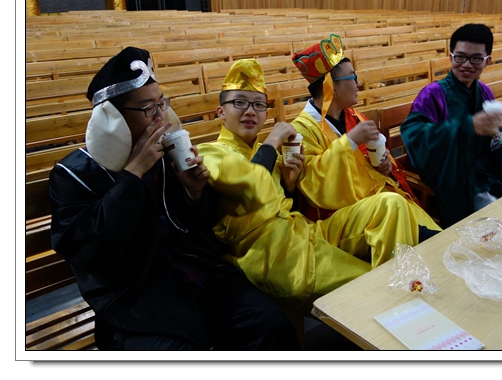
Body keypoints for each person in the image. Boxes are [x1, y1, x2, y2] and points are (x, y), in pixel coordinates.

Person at [49, 47, 300, 351]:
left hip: (192, 275)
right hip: (132, 298)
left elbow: (200, 231)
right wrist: (133, 173)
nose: (160, 117)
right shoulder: (74, 174)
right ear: (113, 117)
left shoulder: (166, 158)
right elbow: (88, 252)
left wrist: (194, 193)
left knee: (270, 324)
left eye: (161, 104)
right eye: (147, 108)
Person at [198, 59, 424, 312]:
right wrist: (272, 141)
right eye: (240, 103)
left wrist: (290, 184)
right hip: (275, 255)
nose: (251, 111)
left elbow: (290, 201)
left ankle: (399, 292)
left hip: (306, 232)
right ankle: (398, 309)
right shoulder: (210, 152)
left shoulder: (265, 151)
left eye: (259, 104)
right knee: (375, 284)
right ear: (221, 112)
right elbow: (248, 188)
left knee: (391, 204)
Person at [290, 34, 441, 243]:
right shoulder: (301, 130)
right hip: (341, 216)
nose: (358, 83)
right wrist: (350, 141)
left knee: (436, 237)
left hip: (380, 198)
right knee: (407, 222)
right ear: (331, 86)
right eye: (352, 78)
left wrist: (384, 166)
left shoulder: (353, 116)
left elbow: (370, 164)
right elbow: (314, 185)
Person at [400, 23, 502, 228]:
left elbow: (486, 139)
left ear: (487, 61)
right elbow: (414, 135)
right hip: (447, 172)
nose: (466, 65)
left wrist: (501, 134)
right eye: (460, 57)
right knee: (494, 217)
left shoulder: (484, 92)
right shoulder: (433, 94)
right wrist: (468, 126)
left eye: (476, 58)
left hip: (478, 171)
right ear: (450, 57)